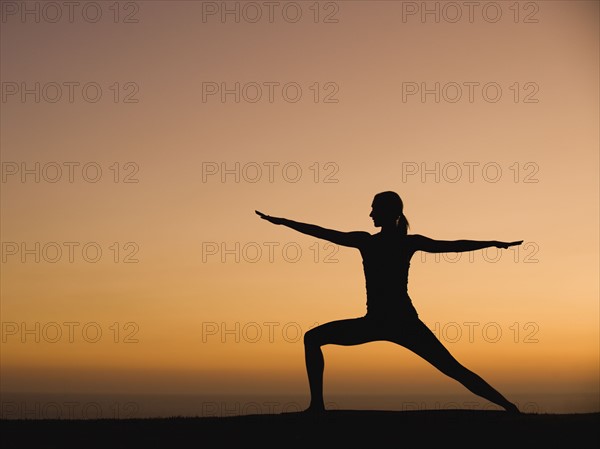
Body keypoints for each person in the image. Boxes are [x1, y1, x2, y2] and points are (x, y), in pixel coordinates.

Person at [255, 191, 521, 413]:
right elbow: (322, 232)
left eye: (374, 209)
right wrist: (282, 222)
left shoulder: (401, 243)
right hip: (377, 322)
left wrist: (493, 243)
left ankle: (510, 408)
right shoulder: (369, 241)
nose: (370, 214)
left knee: (454, 369)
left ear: (390, 212)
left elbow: (453, 245)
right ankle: (317, 407)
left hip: (402, 323)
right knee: (312, 338)